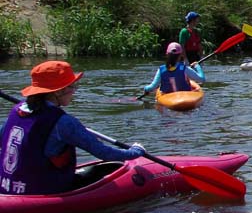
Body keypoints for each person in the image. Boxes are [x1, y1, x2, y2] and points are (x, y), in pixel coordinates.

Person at [1, 61, 146, 196]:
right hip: (42, 190)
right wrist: (135, 151)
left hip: (7, 185)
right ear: (57, 92)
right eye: (72, 87)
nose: (74, 91)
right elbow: (104, 153)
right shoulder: (64, 122)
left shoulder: (17, 111)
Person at [141, 42, 206, 96]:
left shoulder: (161, 69)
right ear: (181, 55)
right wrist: (197, 66)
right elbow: (202, 79)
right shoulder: (185, 68)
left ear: (167, 55)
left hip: (167, 97)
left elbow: (152, 87)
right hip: (184, 96)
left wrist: (146, 89)